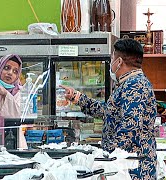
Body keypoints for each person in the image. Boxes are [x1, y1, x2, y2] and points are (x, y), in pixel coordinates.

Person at [61, 38, 157, 179]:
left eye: (112, 58)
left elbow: (130, 126)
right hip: (126, 163)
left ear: (118, 62)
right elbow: (109, 112)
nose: (111, 63)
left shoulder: (135, 85)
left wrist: (106, 156)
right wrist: (77, 97)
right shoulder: (127, 84)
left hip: (132, 168)